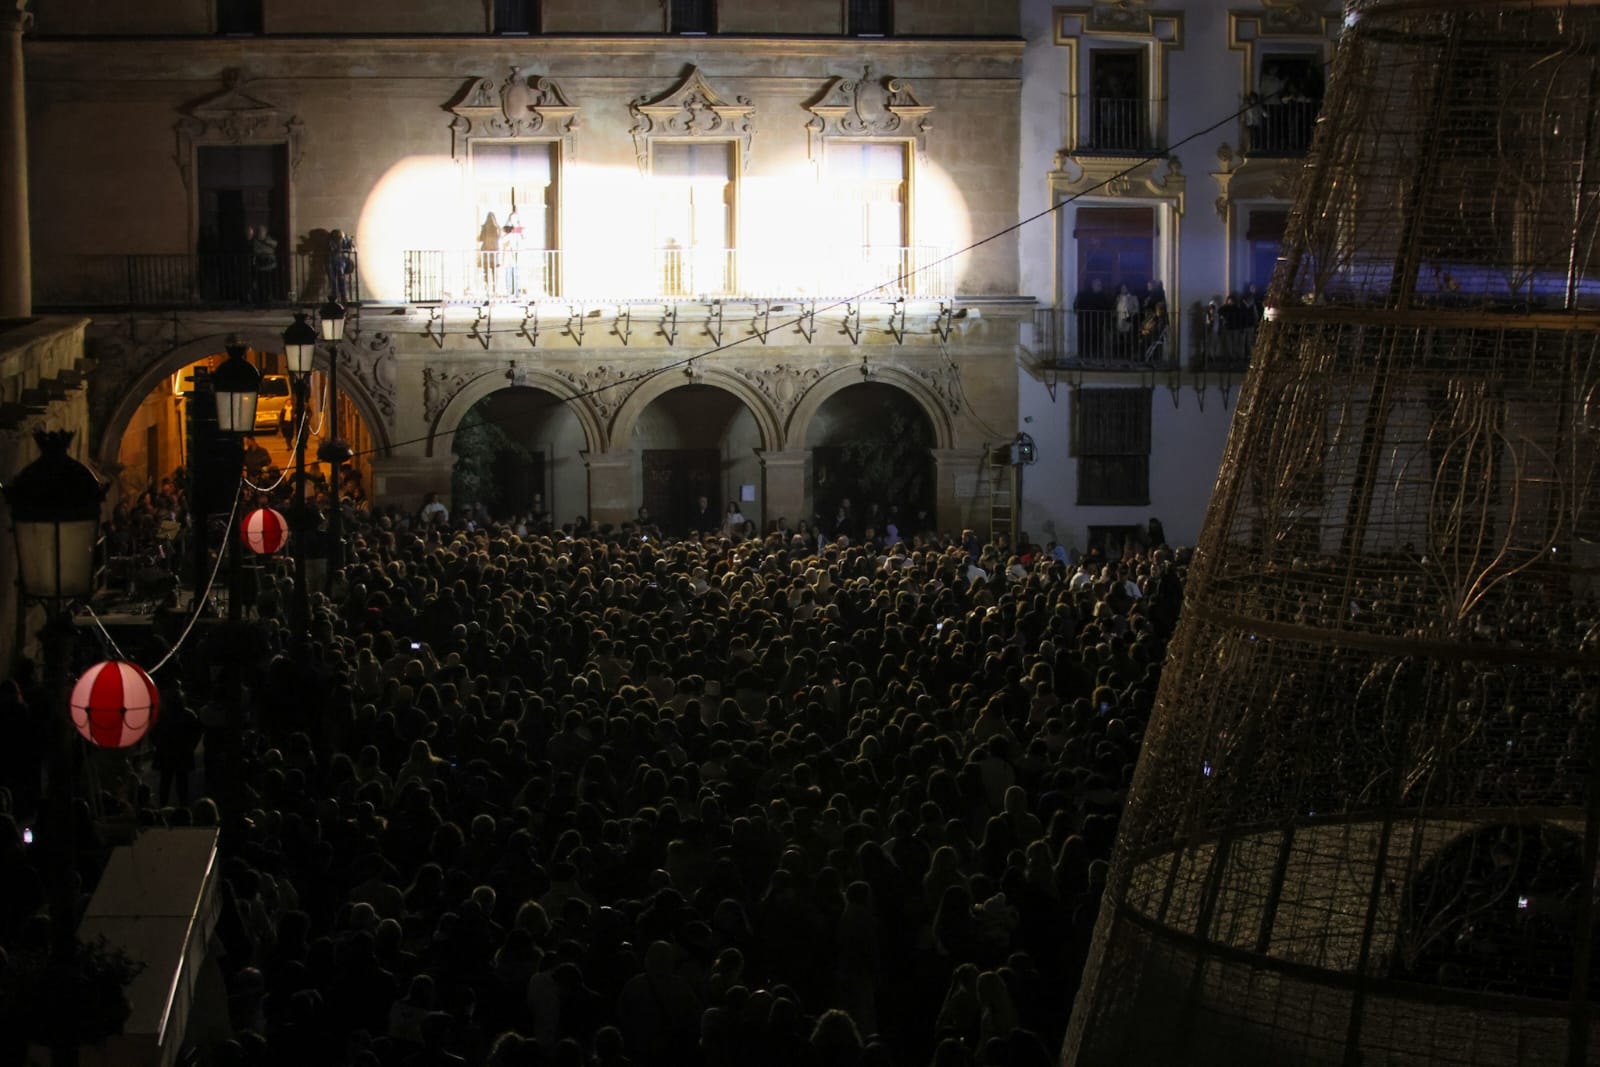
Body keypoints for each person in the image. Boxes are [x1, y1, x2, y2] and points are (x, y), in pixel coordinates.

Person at [249, 226, 278, 305]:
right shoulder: (255, 240)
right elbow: (256, 250)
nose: (260, 233)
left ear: (265, 232)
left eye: (262, 231)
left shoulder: (270, 239)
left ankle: (271, 298)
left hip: (271, 266)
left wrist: (265, 240)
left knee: (270, 283)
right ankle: (262, 299)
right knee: (261, 283)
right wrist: (265, 251)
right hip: (260, 266)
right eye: (259, 231)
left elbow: (275, 244)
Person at [327, 229, 356, 303]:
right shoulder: (332, 241)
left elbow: (351, 248)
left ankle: (341, 297)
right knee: (334, 280)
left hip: (338, 261)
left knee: (339, 279)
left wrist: (350, 245)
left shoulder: (344, 239)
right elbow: (333, 249)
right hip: (333, 261)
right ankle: (336, 298)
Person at [478, 212, 502, 295]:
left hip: (486, 252)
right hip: (494, 253)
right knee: (494, 272)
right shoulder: (497, 228)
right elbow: (499, 237)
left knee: (486, 272)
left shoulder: (484, 227)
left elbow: (481, 238)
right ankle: (495, 289)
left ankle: (487, 289)